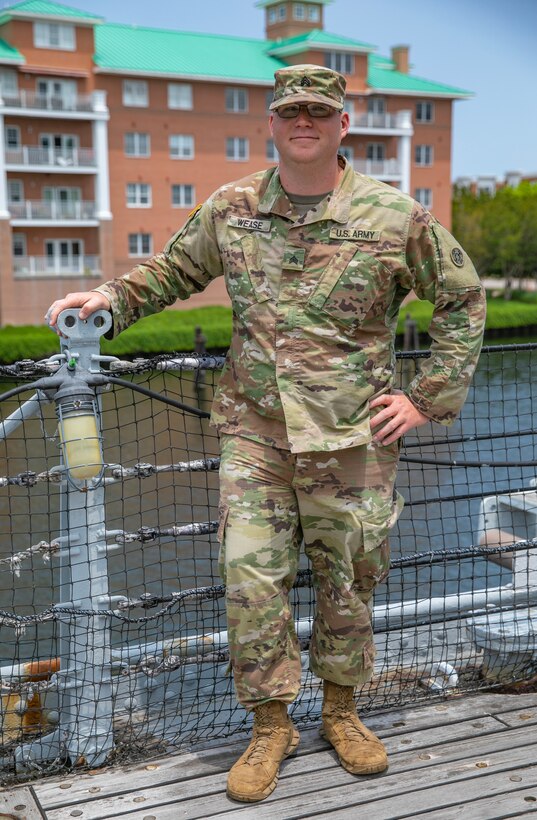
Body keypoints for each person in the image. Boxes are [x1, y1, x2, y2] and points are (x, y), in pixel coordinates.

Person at [46, 64, 486, 803]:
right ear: (273, 124)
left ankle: (342, 712)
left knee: (349, 581)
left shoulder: (391, 216)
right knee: (251, 579)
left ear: (343, 125)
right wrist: (108, 303)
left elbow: (461, 301)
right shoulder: (231, 208)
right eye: (290, 112)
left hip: (353, 438)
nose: (303, 122)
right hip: (254, 432)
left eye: (318, 110)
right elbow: (170, 273)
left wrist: (426, 400)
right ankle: (270, 723)